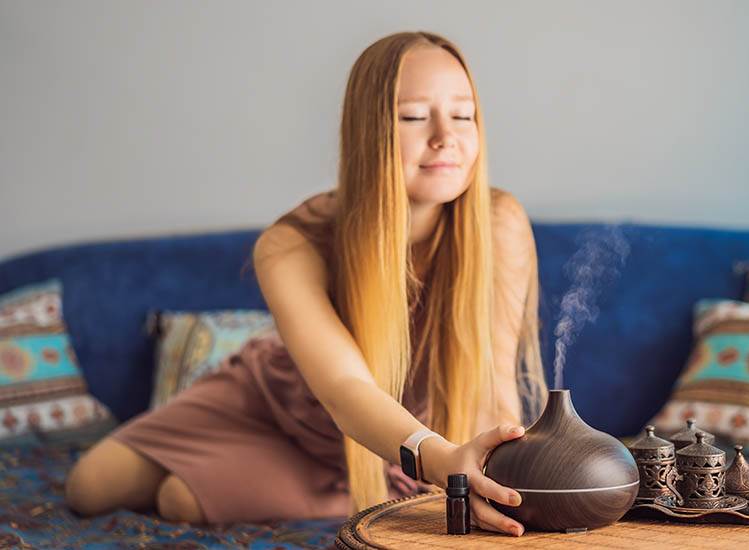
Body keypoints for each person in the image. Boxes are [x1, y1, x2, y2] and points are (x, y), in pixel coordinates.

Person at [64, 30, 547, 537]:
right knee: (89, 486)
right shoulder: (292, 242)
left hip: (403, 437)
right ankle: (336, 473)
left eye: (464, 114)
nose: (446, 136)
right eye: (413, 116)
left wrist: (485, 465)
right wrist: (440, 458)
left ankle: (369, 482)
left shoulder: (499, 222)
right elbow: (343, 386)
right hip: (280, 400)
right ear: (368, 130)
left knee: (178, 497)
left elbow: (494, 382)